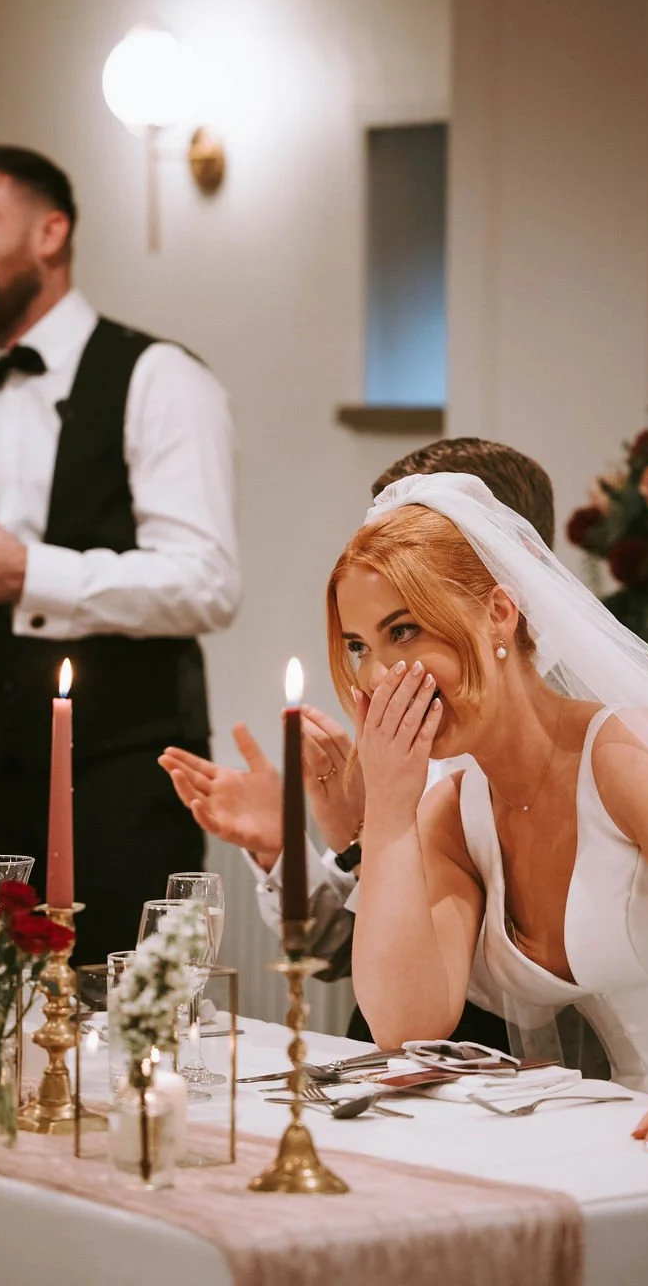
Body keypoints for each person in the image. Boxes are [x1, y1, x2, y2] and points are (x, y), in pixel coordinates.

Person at [330, 472, 648, 1149]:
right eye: (359, 647)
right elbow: (405, 1024)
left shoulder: (627, 754)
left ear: (500, 613)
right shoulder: (453, 815)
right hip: (639, 1121)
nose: (379, 678)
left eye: (403, 631)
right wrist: (388, 809)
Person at [0, 145, 240, 963]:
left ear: (51, 232)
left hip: (131, 768)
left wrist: (28, 572)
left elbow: (208, 581)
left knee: (127, 1008)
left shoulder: (158, 377)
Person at [161, 438, 557, 1050]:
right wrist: (294, 845)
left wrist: (369, 835)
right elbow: (340, 946)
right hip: (406, 1042)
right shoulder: (407, 719)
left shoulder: (570, 738)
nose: (375, 671)